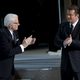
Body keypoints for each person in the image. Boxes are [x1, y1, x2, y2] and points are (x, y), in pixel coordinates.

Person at [0, 13, 36, 80]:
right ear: (10, 24)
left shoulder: (14, 32)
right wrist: (23, 46)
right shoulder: (2, 34)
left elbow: (17, 47)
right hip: (2, 70)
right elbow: (8, 52)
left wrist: (27, 43)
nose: (18, 24)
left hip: (10, 69)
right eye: (16, 23)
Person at [54, 5, 80, 80]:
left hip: (78, 64)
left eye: (70, 15)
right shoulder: (62, 25)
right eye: (67, 14)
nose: (68, 16)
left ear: (77, 15)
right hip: (65, 64)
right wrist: (63, 43)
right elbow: (56, 41)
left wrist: (72, 42)